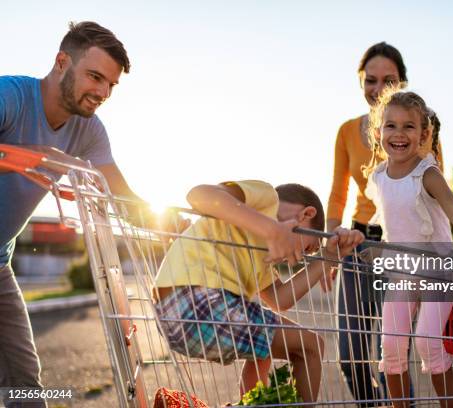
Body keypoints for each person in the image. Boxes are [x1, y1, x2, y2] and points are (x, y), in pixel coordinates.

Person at [0, 21, 172, 407]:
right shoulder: (9, 96)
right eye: (95, 76)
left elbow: (121, 196)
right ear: (62, 62)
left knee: (24, 387)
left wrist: (171, 226)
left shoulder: (89, 131)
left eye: (110, 84)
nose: (102, 92)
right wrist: (42, 158)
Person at [154, 181, 365, 403]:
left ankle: (253, 403)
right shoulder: (266, 197)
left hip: (174, 314)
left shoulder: (262, 258)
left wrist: (330, 258)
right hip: (194, 300)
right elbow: (198, 194)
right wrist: (272, 229)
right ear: (306, 214)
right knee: (310, 347)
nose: (301, 257)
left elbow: (280, 299)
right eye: (308, 248)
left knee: (264, 345)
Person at [326, 42, 442, 405]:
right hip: (359, 241)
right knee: (350, 352)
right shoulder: (346, 131)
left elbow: (436, 189)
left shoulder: (421, 128)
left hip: (403, 244)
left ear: (402, 82)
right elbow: (337, 193)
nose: (378, 89)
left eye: (388, 80)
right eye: (370, 80)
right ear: (361, 82)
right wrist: (330, 240)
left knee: (390, 354)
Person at [363, 89, 453, 408]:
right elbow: (392, 225)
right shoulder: (379, 177)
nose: (399, 134)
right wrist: (376, 249)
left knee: (428, 342)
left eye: (409, 126)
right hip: (402, 272)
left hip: (438, 272)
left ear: (423, 134)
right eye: (391, 126)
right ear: (378, 133)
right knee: (390, 346)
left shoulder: (427, 174)